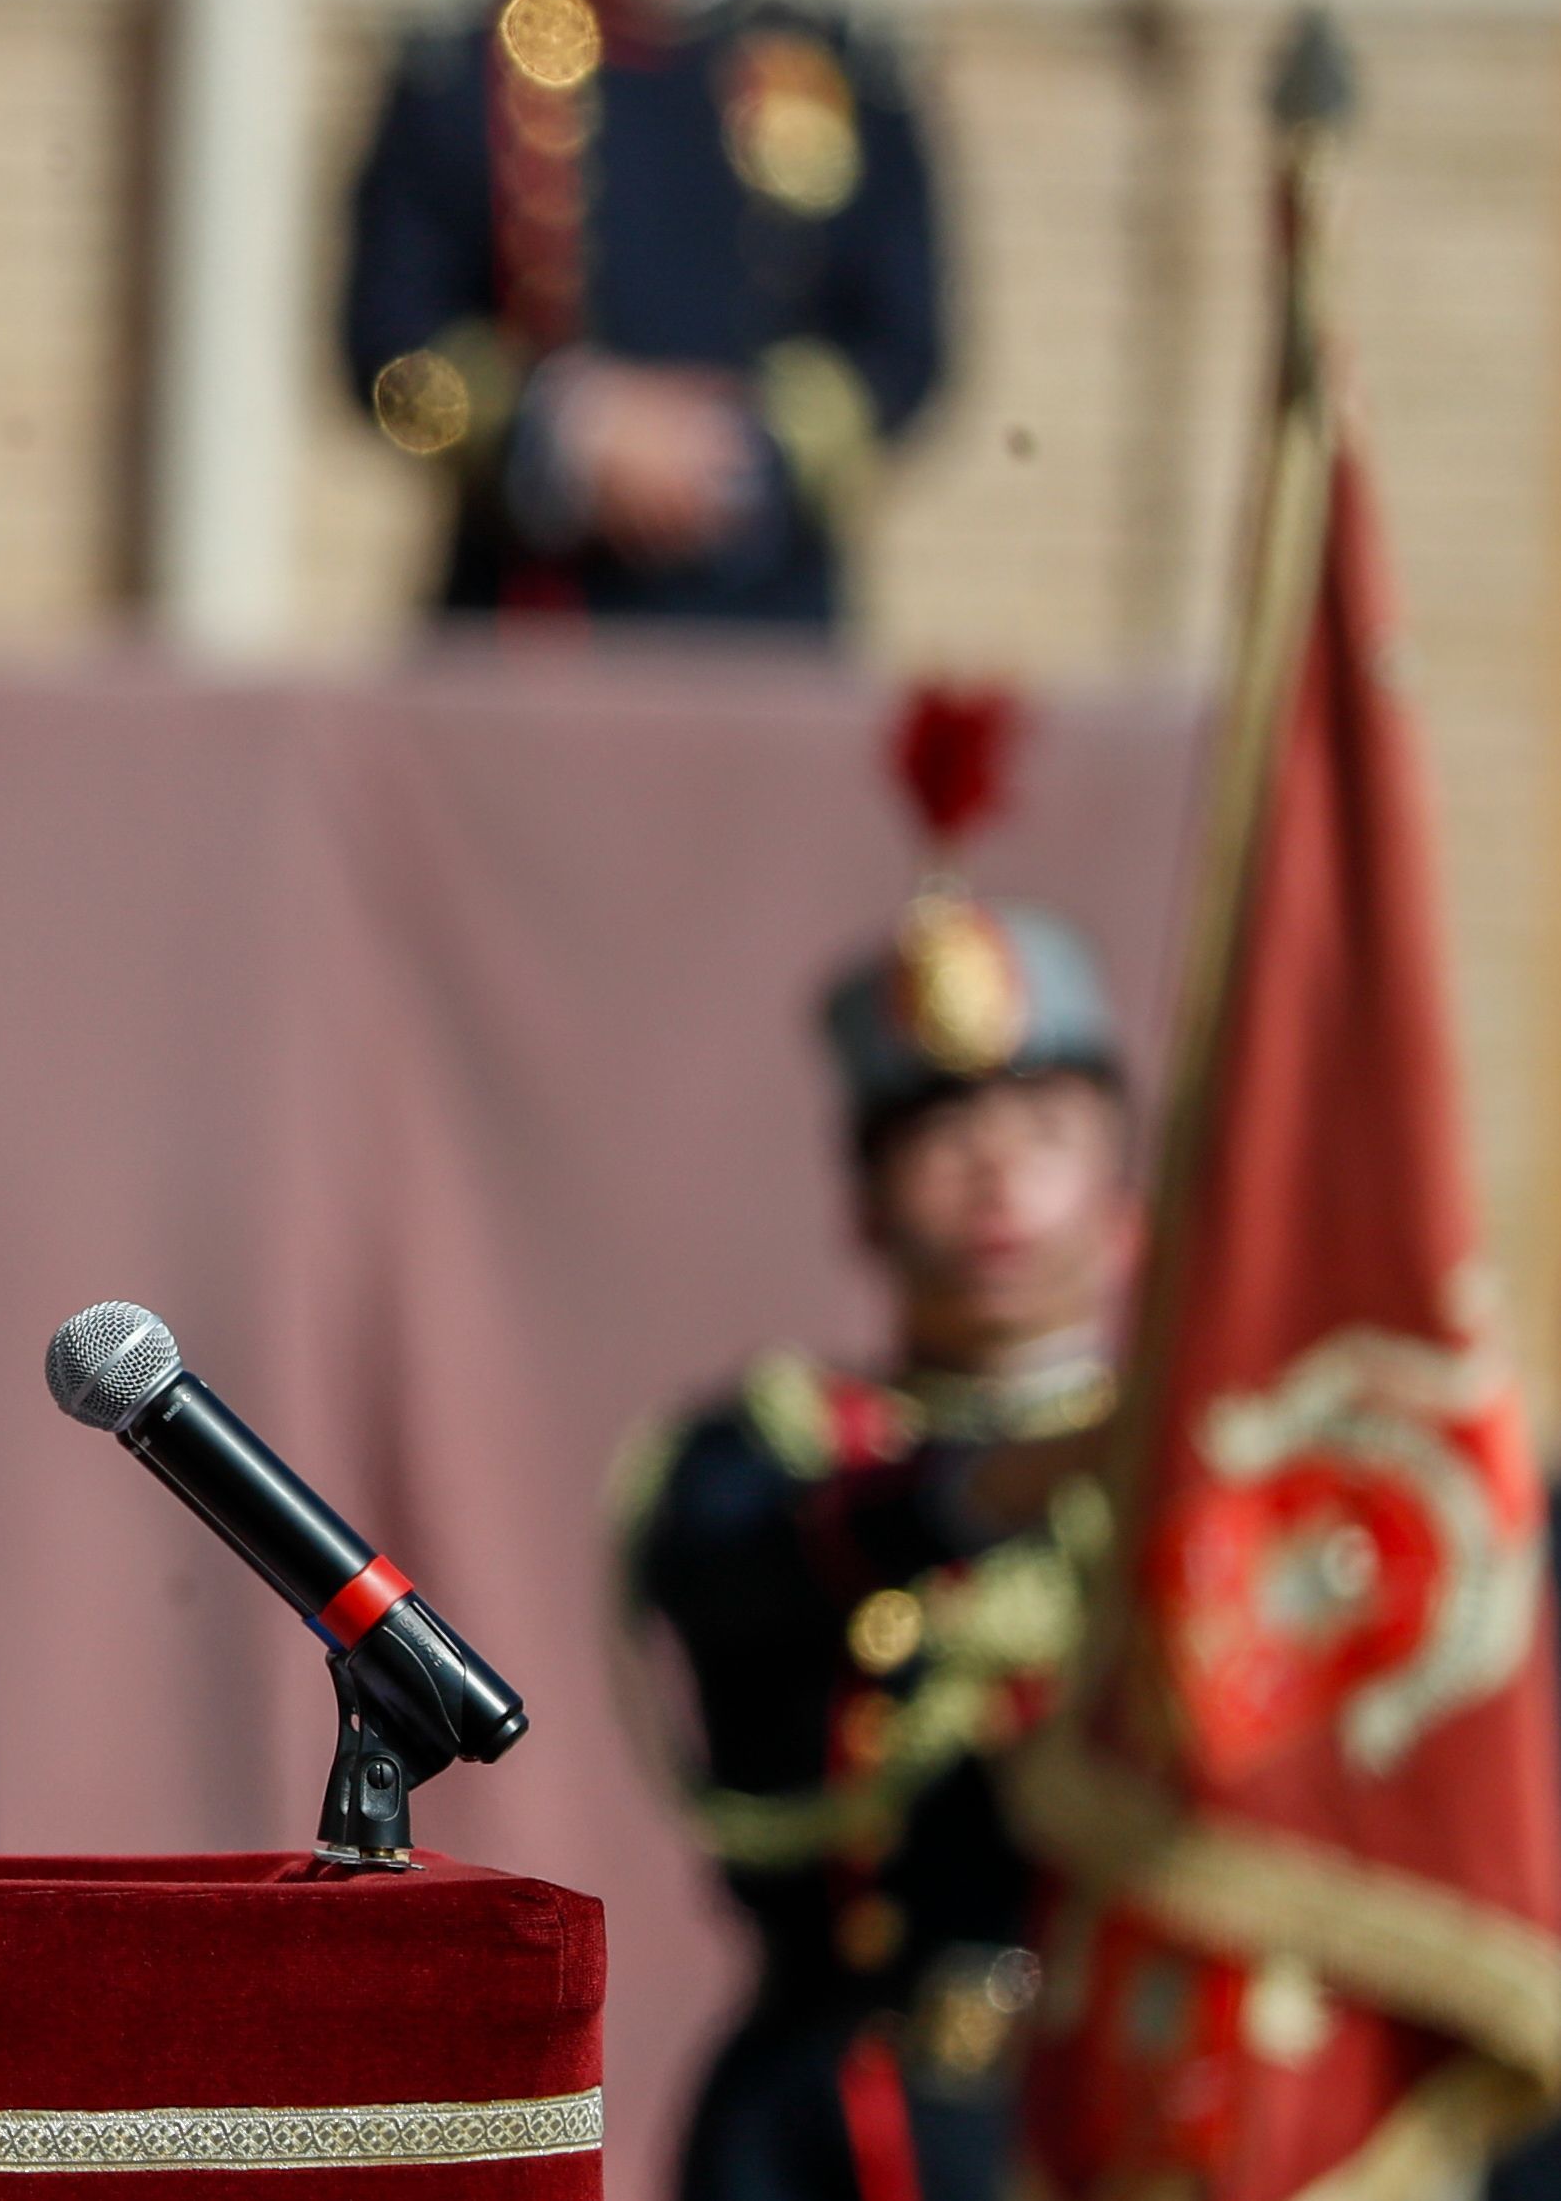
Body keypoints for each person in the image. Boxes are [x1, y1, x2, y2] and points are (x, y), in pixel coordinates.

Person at [612, 884, 1137, 2201]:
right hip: (842, 2114)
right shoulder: (768, 1450)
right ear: (860, 1197)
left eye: (1041, 1125)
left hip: (1140, 2092)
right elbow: (746, 1576)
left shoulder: (1215, 1469)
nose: (995, 1166)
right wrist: (1025, 1475)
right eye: (941, 1127)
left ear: (1125, 1202)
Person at [341, 0, 943, 631]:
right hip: (530, 622)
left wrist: (744, 446)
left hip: (768, 623)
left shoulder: (839, 68)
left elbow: (903, 350)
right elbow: (391, 346)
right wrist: (569, 432)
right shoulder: (465, 64)